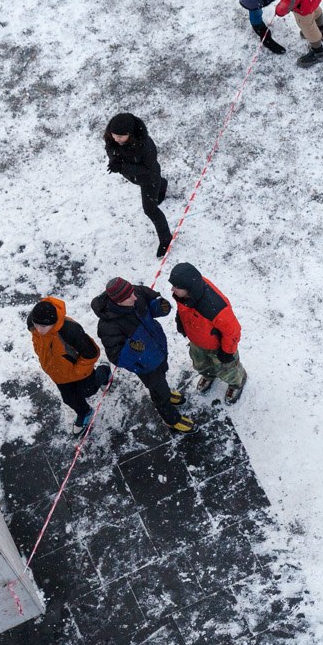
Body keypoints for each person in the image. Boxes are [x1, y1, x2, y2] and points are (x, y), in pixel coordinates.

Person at [90, 278, 191, 433]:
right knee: (158, 392)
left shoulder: (134, 292)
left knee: (163, 372)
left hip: (158, 348)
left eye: (133, 293)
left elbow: (151, 298)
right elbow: (115, 356)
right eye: (129, 297)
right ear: (118, 302)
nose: (135, 297)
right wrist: (134, 351)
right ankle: (171, 420)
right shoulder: (108, 326)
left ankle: (166, 392)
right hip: (145, 366)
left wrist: (159, 305)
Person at [168, 262, 247, 404]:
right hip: (197, 342)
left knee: (228, 370)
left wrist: (227, 352)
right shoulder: (186, 293)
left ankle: (237, 382)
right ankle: (208, 374)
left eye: (177, 287)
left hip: (218, 347)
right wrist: (181, 321)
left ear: (189, 288)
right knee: (200, 364)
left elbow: (233, 331)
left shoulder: (215, 307)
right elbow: (184, 309)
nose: (172, 289)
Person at [27, 298, 111, 429]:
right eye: (36, 324)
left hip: (79, 372)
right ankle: (85, 412)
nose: (38, 329)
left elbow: (91, 353)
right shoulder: (33, 324)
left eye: (43, 326)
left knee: (89, 391)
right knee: (69, 399)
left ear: (53, 323)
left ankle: (104, 370)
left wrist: (77, 372)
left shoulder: (70, 331)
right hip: (58, 374)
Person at [102, 112, 171, 257]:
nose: (115, 139)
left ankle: (166, 239)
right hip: (134, 177)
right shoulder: (113, 139)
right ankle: (163, 185)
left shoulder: (146, 145)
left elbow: (148, 169)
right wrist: (114, 160)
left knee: (150, 210)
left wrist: (122, 167)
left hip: (149, 179)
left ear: (130, 134)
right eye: (113, 135)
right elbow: (111, 150)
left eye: (120, 136)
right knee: (158, 184)